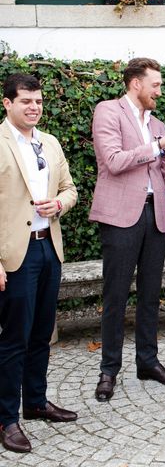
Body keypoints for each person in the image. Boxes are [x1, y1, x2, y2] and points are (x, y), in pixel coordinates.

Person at [90, 58, 165, 402]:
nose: (159, 90)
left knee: (150, 293)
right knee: (115, 295)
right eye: (155, 84)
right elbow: (113, 161)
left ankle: (148, 361)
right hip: (119, 217)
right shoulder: (108, 112)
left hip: (154, 216)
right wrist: (159, 145)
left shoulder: (158, 123)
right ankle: (108, 370)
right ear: (135, 84)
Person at [0, 73, 78, 453]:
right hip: (14, 254)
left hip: (50, 247)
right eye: (26, 101)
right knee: (14, 338)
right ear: (8, 104)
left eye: (38, 101)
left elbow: (70, 188)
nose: (34, 107)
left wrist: (60, 203)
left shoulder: (50, 142)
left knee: (42, 333)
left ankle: (34, 402)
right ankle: (6, 419)